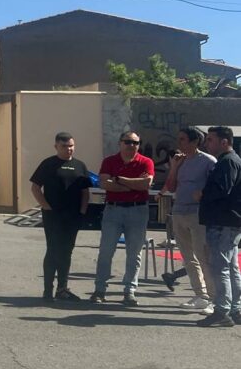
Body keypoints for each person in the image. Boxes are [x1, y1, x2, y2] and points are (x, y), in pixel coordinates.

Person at [91, 131, 155, 306]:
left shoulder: (146, 162)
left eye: (136, 142)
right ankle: (100, 289)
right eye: (127, 142)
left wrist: (119, 179)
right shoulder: (109, 161)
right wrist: (132, 185)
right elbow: (104, 183)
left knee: (134, 253)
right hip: (113, 210)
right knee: (106, 251)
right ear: (120, 143)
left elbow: (146, 184)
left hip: (138, 210)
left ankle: (129, 291)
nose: (131, 145)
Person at [30, 132, 92, 302]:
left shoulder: (80, 165)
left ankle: (62, 289)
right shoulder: (48, 164)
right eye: (64, 146)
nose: (68, 149)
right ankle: (47, 290)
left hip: (73, 216)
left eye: (71, 146)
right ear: (56, 146)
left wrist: (83, 211)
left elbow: (85, 191)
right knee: (53, 250)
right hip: (53, 215)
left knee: (67, 250)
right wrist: (46, 207)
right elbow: (35, 188)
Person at [161, 127, 216, 313]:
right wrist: (174, 167)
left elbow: (216, 187)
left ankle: (214, 298)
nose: (179, 143)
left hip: (198, 214)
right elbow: (170, 187)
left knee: (203, 256)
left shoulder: (208, 161)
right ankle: (200, 295)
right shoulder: (180, 160)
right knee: (188, 257)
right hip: (179, 211)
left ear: (195, 141)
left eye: (183, 139)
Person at [195, 126, 241, 327]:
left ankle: (222, 310)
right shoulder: (230, 160)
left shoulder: (227, 161)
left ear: (224, 142)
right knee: (230, 267)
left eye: (210, 140)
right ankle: (235, 309)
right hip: (228, 221)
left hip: (223, 221)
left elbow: (223, 189)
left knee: (220, 267)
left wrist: (202, 195)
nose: (206, 144)